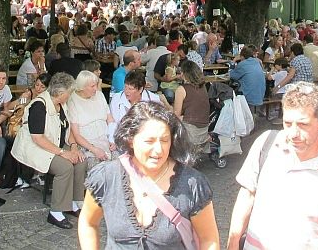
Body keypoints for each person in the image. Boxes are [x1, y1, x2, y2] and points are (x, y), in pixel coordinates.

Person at [228, 83, 318, 249]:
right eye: (288, 123)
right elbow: (247, 195)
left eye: (303, 125)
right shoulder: (265, 145)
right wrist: (233, 243)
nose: (293, 134)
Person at [78, 101, 220, 249]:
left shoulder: (192, 184)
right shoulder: (106, 177)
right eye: (149, 141)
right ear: (131, 140)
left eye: (164, 140)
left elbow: (209, 239)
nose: (158, 150)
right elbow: (88, 222)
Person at [11, 72, 88, 229]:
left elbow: (68, 128)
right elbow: (37, 138)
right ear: (60, 93)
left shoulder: (61, 104)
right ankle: (56, 212)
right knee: (64, 167)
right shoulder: (39, 106)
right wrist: (63, 153)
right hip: (36, 147)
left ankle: (74, 202)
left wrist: (73, 147)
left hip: (55, 143)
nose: (70, 95)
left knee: (80, 160)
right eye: (69, 92)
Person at [66, 71, 115, 168]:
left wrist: (112, 139)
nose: (96, 89)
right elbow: (76, 135)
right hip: (88, 145)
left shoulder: (100, 95)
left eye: (96, 85)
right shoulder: (72, 101)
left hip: (107, 140)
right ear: (82, 87)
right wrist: (94, 149)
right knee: (100, 167)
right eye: (92, 86)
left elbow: (110, 120)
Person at [172, 60, 211, 157]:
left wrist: (164, 102)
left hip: (191, 133)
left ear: (185, 74)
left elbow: (175, 115)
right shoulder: (203, 86)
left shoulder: (181, 89)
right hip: (203, 130)